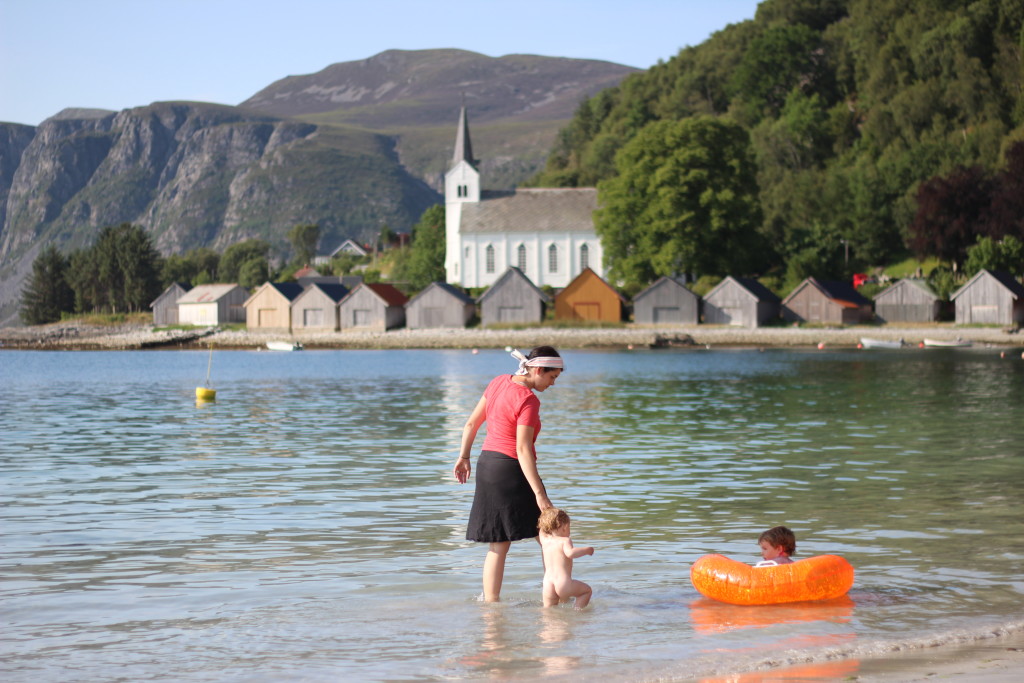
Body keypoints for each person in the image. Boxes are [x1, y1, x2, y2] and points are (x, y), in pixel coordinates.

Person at [453, 346, 564, 601]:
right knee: (549, 536)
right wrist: (540, 495)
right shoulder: (528, 400)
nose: (553, 383)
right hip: (512, 470)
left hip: (487, 466)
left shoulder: (498, 382)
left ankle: (491, 607)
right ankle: (556, 599)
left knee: (499, 544)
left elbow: (471, 423)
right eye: (551, 377)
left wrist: (463, 456)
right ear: (537, 370)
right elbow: (523, 449)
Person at [538, 507, 593, 608]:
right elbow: (570, 553)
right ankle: (576, 613)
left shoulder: (544, 540)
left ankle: (548, 623)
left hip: (547, 584)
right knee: (587, 591)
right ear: (564, 527)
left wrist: (545, 516)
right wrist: (587, 550)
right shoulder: (564, 541)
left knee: (548, 612)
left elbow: (541, 530)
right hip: (563, 583)